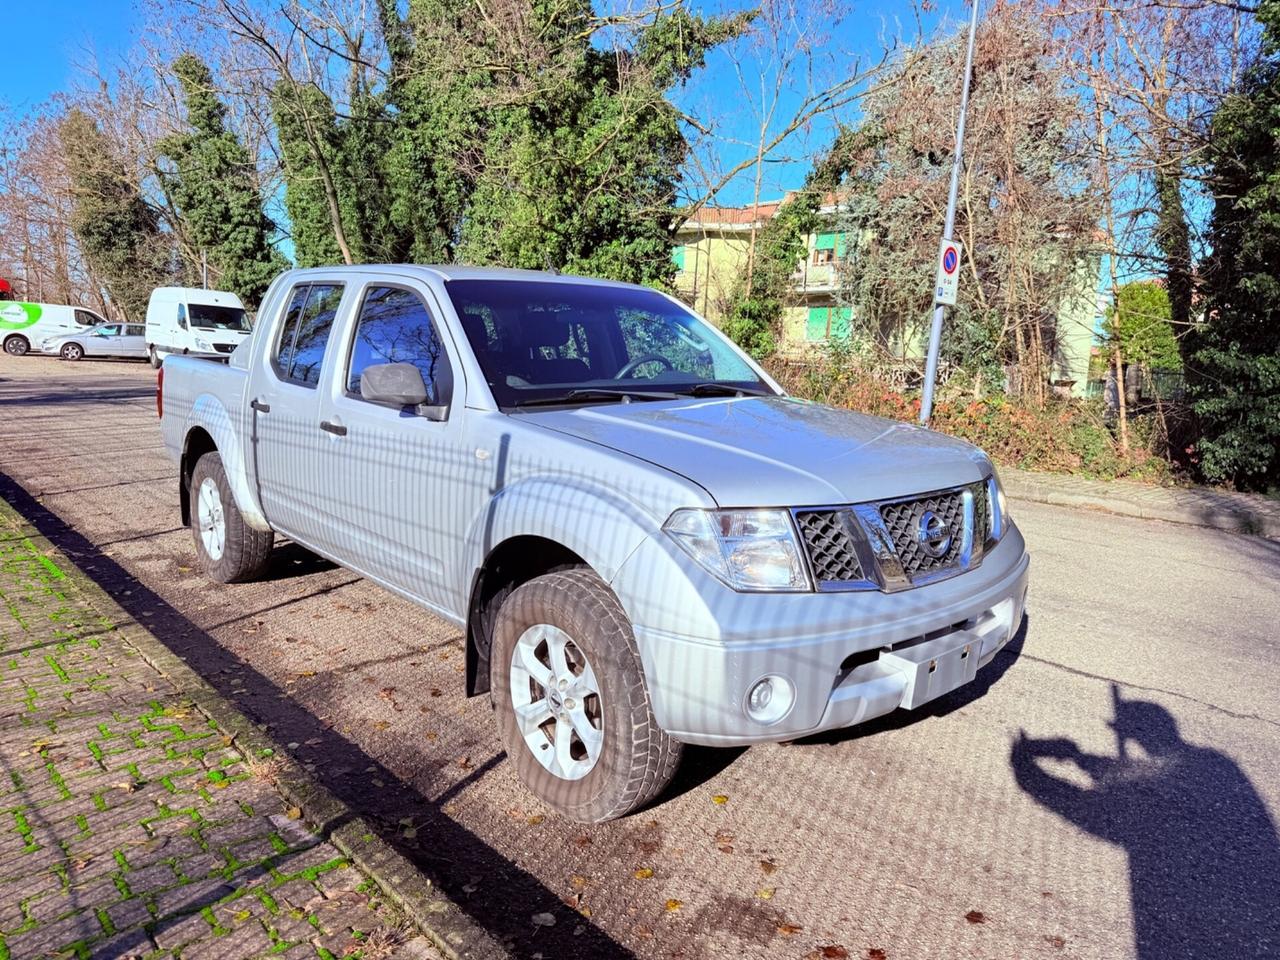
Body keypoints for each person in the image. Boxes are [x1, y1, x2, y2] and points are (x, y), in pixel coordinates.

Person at [1012, 684, 1280, 959]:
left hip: (1183, 908)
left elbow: (1088, 805)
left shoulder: (1172, 773)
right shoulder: (1213, 761)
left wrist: (1029, 770)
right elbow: (1135, 774)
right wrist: (1080, 759)